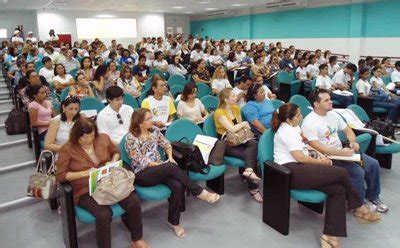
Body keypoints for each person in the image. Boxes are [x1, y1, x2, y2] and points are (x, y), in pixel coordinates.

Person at [272, 103, 381, 248]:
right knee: (342, 172)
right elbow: (301, 158)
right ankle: (358, 205)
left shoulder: (294, 127)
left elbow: (306, 147)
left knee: (338, 190)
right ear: (289, 119)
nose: (301, 116)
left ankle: (329, 235)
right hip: (289, 171)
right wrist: (322, 163)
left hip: (302, 167)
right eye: (298, 115)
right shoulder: (286, 131)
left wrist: (319, 155)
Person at [125, 108, 220, 237]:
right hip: (143, 174)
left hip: (161, 170)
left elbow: (166, 144)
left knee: (178, 185)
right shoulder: (131, 138)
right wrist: (162, 165)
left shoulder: (154, 131)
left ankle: (173, 222)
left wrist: (170, 157)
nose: (152, 120)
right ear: (139, 122)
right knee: (170, 167)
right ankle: (198, 191)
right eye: (148, 119)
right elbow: (140, 160)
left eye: (151, 117)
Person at [56, 117, 149, 248]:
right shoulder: (67, 149)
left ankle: (137, 239)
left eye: (92, 136)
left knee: (133, 200)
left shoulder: (103, 138)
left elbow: (116, 152)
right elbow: (60, 176)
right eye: (84, 138)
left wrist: (113, 161)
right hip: (85, 190)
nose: (89, 140)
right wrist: (83, 173)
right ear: (76, 136)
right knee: (104, 214)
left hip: (109, 183)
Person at [302, 89, 389, 213]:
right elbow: (316, 147)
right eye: (326, 100)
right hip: (327, 157)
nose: (331, 102)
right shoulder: (309, 122)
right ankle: (358, 204)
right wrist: (340, 153)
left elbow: (348, 131)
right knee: (357, 172)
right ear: (316, 104)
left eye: (330, 99)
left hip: (342, 152)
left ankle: (373, 197)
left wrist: (353, 142)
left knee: (373, 164)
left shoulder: (333, 114)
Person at [214, 88, 262, 203]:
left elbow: (241, 128)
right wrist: (245, 123)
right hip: (226, 143)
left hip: (240, 139)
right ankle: (254, 189)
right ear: (226, 99)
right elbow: (232, 129)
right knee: (251, 155)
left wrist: (243, 125)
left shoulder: (236, 108)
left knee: (254, 143)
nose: (236, 98)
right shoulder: (219, 112)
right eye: (233, 96)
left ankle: (249, 170)